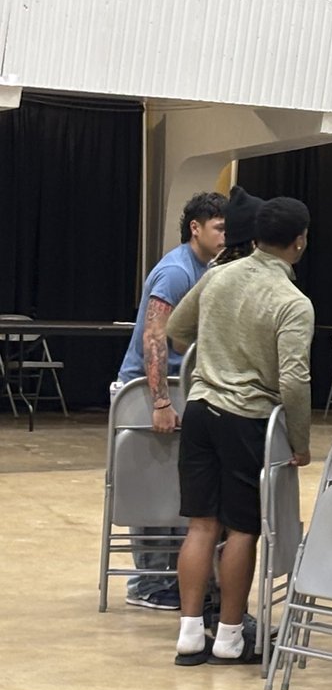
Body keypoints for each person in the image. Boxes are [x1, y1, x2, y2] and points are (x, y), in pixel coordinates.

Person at [166, 197, 315, 665]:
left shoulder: (216, 275)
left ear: (252, 237)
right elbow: (293, 379)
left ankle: (190, 634)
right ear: (300, 241)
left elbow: (175, 330)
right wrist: (301, 440)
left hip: (199, 410)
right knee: (243, 528)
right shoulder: (293, 302)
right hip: (246, 419)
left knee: (200, 523)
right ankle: (230, 638)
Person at [112, 191, 226, 611]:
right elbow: (154, 335)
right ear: (195, 228)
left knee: (176, 491)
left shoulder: (207, 269)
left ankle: (171, 577)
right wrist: (159, 400)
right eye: (218, 227)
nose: (224, 235)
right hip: (146, 390)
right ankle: (148, 583)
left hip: (180, 390)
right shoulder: (177, 272)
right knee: (150, 487)